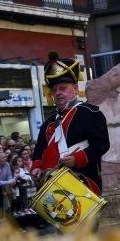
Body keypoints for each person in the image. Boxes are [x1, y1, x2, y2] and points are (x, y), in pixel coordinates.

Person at [31, 52, 110, 195]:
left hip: (83, 183)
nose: (58, 93)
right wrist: (36, 167)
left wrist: (76, 159)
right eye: (54, 90)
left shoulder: (90, 113)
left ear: (75, 89)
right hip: (52, 187)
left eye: (63, 88)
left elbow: (101, 145)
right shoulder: (48, 122)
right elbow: (39, 149)